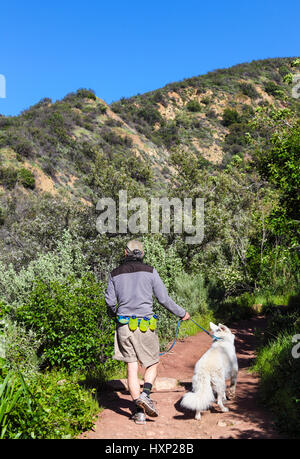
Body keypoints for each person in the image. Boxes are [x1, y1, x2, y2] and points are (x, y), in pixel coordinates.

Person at [105, 240, 190, 425]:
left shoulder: (114, 274)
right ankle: (145, 395)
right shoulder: (150, 271)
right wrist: (182, 313)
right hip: (145, 326)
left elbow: (110, 303)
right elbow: (163, 299)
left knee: (131, 367)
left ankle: (139, 412)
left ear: (125, 253)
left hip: (124, 326)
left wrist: (117, 316)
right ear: (142, 254)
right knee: (152, 363)